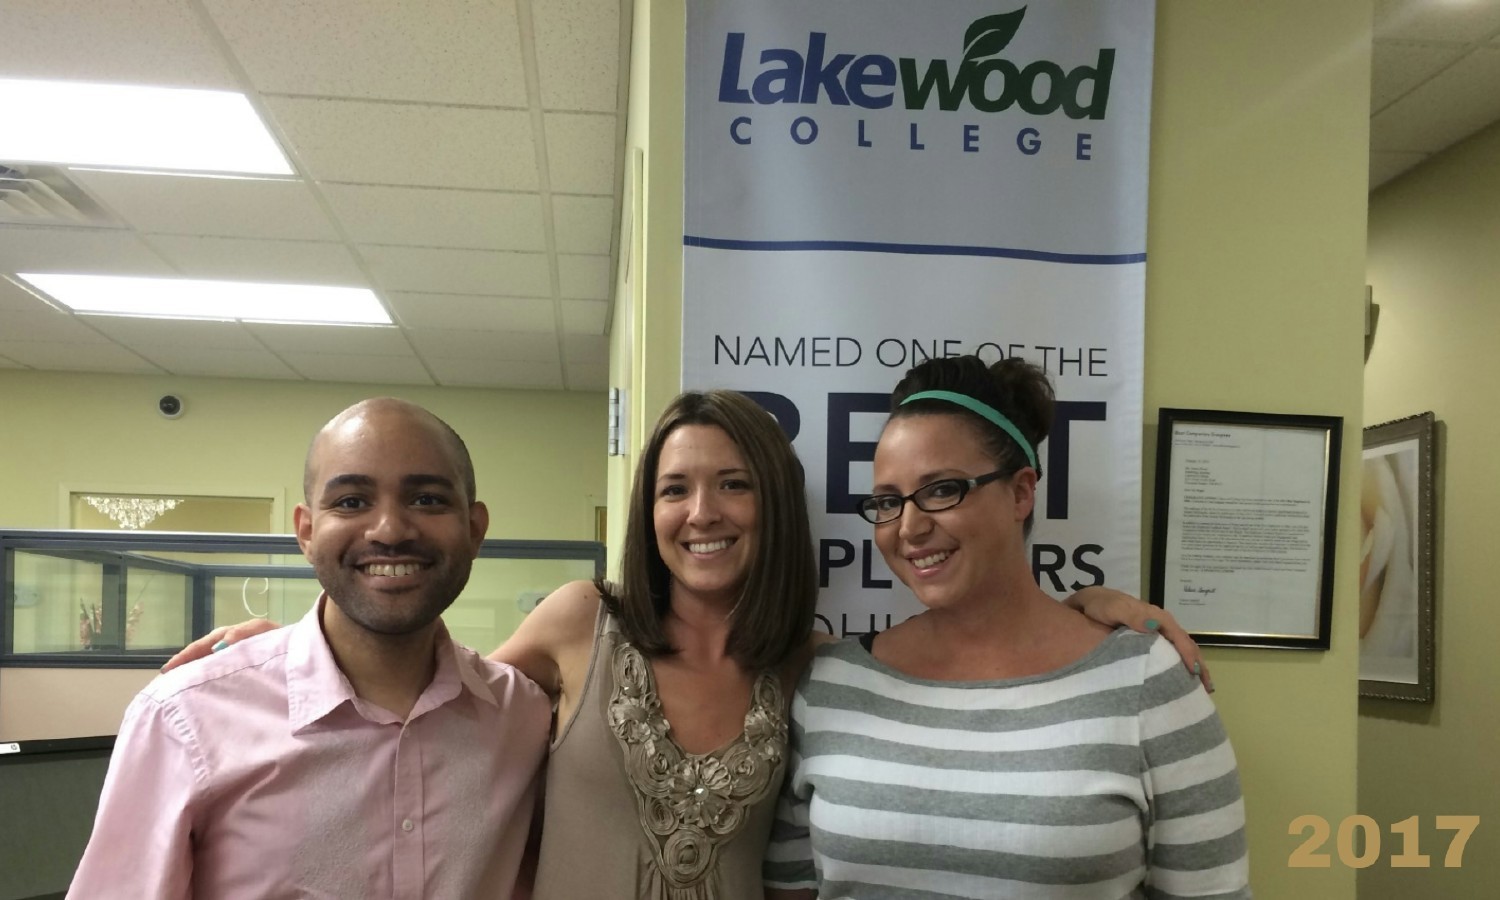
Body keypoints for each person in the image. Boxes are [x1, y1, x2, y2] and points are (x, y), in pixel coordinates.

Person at [167, 390, 1209, 899]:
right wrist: (295, 643)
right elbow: (430, 691)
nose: (701, 512)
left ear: (775, 507)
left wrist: (1109, 610)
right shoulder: (583, 623)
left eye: (733, 484)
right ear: (647, 510)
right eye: (674, 488)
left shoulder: (815, 664)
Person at [764, 356, 1249, 899]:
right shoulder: (832, 686)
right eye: (887, 501)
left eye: (942, 489)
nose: (910, 526)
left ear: (1021, 492)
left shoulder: (1147, 685)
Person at [69, 399, 550, 899]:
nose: (389, 530)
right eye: (350, 502)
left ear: (474, 529)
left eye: (427, 499)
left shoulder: (523, 716)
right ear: (306, 531)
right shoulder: (183, 717)